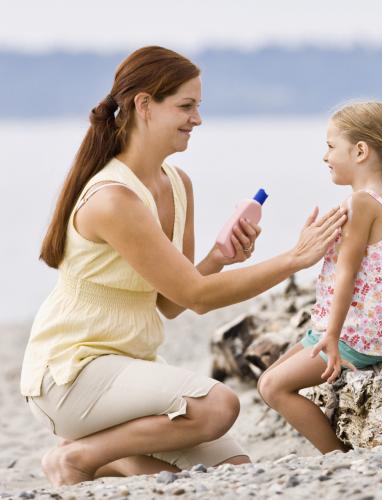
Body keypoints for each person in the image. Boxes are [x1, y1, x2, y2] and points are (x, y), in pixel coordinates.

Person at [20, 46, 347, 486]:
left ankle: (103, 458)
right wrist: (294, 258)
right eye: (186, 106)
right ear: (143, 106)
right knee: (218, 406)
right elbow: (197, 296)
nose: (197, 119)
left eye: (199, 107)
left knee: (233, 473)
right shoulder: (114, 199)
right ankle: (75, 457)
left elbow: (173, 303)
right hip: (70, 375)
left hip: (127, 369)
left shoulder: (178, 185)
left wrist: (218, 259)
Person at [258, 101, 382, 453]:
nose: (324, 156)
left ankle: (336, 455)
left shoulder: (362, 203)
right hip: (352, 329)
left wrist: (330, 335)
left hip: (353, 336)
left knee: (272, 389)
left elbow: (347, 273)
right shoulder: (378, 202)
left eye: (330, 146)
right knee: (268, 379)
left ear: (360, 151)